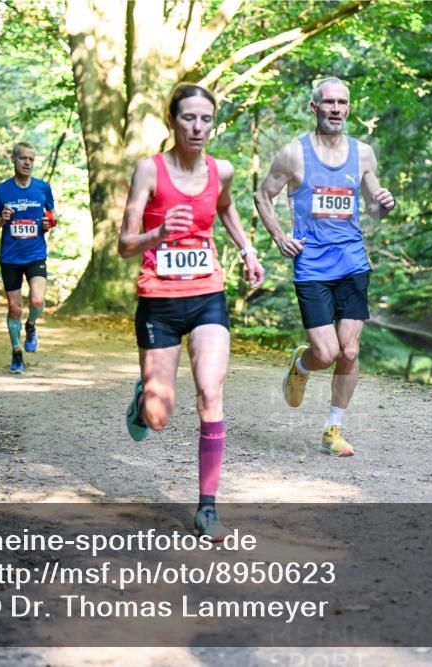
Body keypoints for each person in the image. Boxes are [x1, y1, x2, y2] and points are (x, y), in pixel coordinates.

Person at [118, 83, 265, 540]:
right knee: (158, 417)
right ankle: (143, 401)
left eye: (206, 119)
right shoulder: (149, 170)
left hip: (207, 295)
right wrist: (158, 234)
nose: (198, 127)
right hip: (159, 303)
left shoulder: (222, 170)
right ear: (172, 120)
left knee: (210, 389)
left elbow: (226, 208)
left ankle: (207, 508)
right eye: (189, 118)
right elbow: (124, 245)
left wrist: (247, 250)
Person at [254, 76, 395, 458]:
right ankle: (302, 365)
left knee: (349, 351)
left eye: (342, 102)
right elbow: (263, 195)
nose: (336, 109)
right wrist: (279, 236)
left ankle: (333, 429)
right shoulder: (294, 154)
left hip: (352, 261)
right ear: (315, 107)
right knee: (327, 352)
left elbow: (373, 208)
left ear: (348, 108)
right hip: (312, 266)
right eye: (329, 102)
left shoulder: (363, 153)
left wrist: (384, 203)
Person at [0, 142, 57, 374]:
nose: (27, 163)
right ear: (13, 160)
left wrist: (48, 223)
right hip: (10, 258)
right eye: (23, 158)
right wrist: (1, 221)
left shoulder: (43, 188)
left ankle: (31, 325)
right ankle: (16, 353)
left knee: (37, 300)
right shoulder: (0, 191)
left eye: (31, 159)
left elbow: (52, 216)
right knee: (14, 308)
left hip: (35, 254)